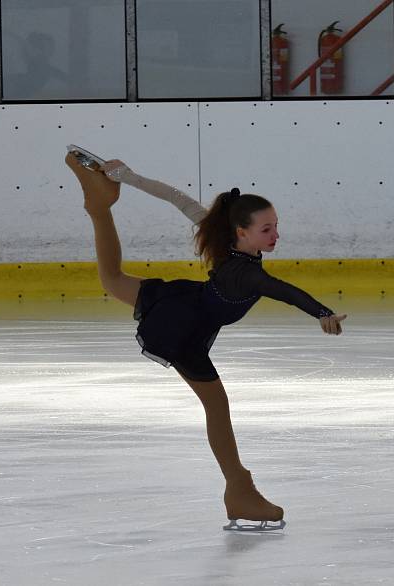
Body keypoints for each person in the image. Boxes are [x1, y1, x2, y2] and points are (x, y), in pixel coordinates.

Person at [64, 151, 347, 530]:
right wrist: (322, 313)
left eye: (276, 226)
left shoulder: (223, 238)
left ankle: (99, 206)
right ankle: (239, 490)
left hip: (186, 304)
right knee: (216, 404)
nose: (276, 235)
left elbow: (177, 198)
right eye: (267, 230)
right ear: (243, 232)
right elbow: (282, 290)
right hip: (184, 326)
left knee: (113, 280)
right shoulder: (243, 275)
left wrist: (129, 176)